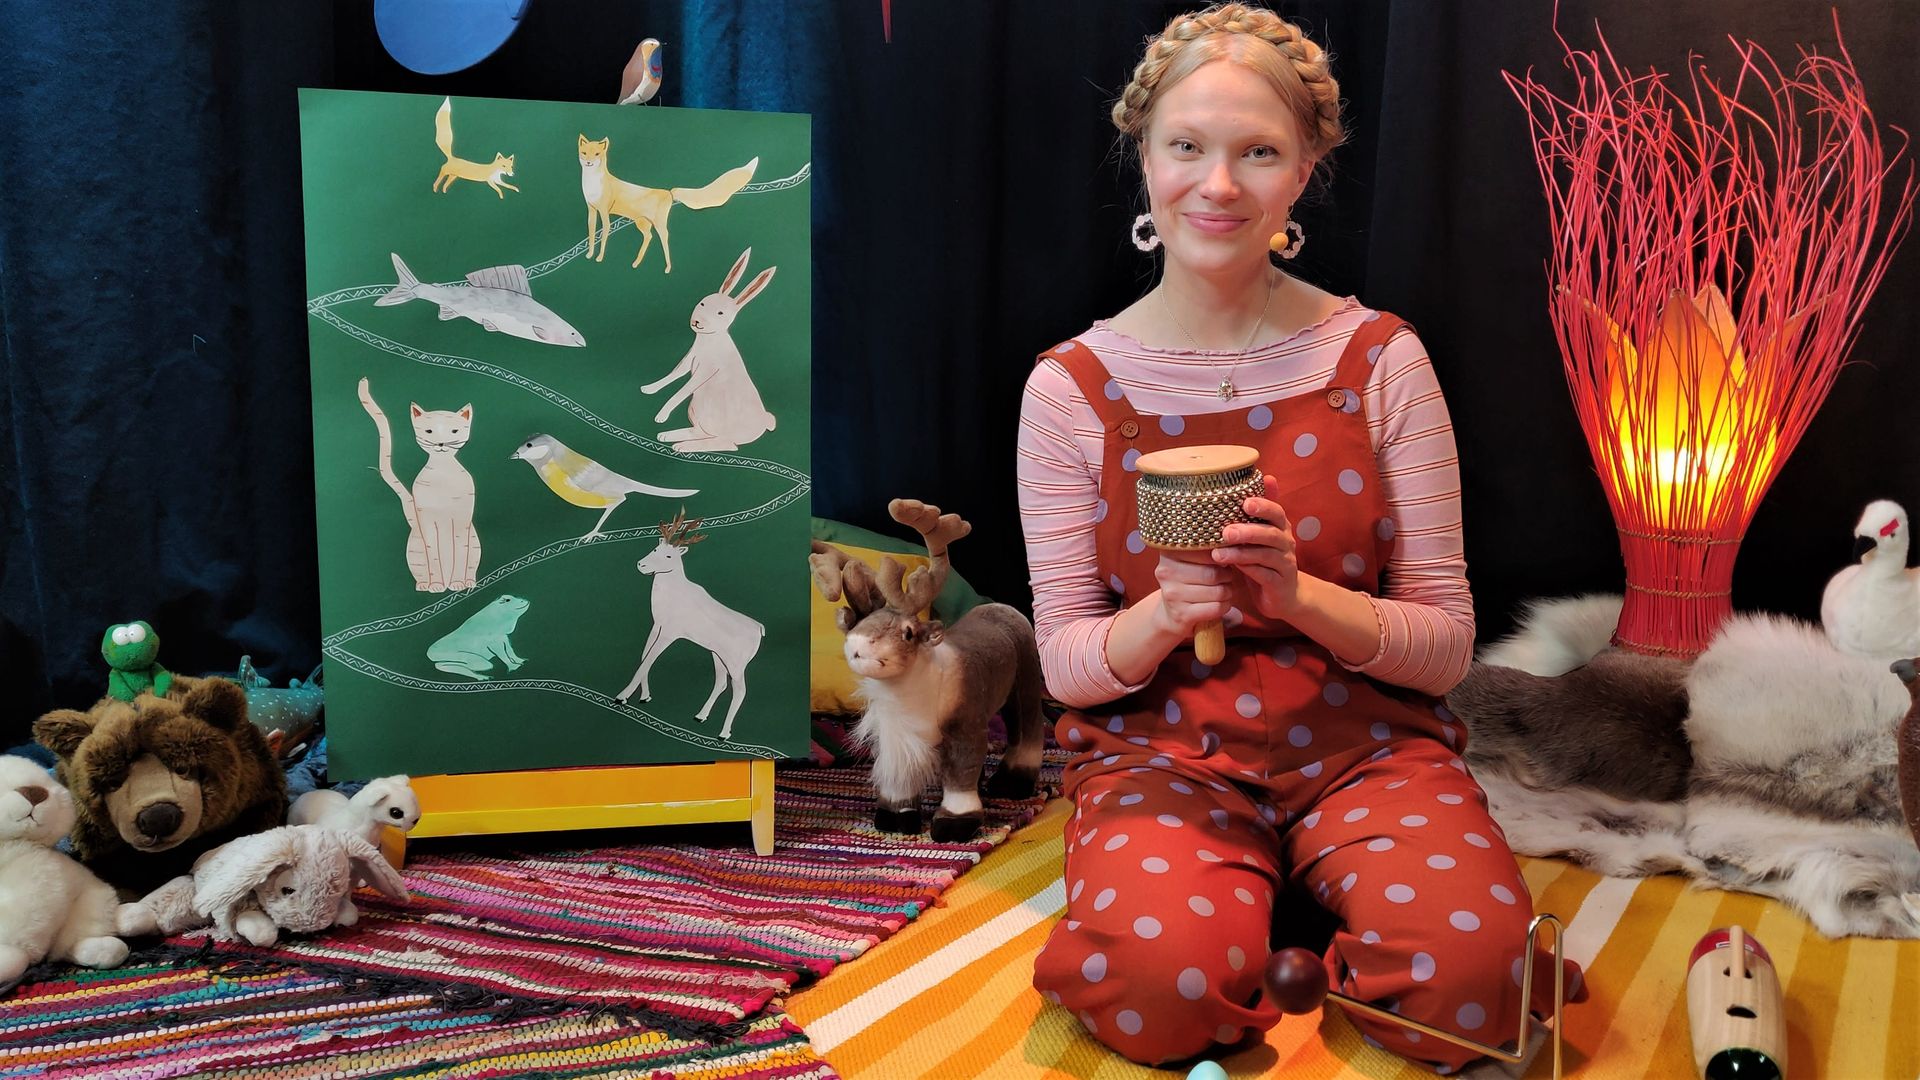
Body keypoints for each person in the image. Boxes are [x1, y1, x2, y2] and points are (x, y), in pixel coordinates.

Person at [1018, 4, 1580, 1070]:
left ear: (1306, 171)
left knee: (1480, 987)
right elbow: (1066, 665)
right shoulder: (1071, 388)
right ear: (1144, 157)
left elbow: (1446, 645)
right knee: (1160, 994)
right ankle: (1240, 910)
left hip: (1366, 751)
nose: (1218, 185)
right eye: (1187, 146)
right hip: (1164, 757)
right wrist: (1162, 617)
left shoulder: (1381, 360)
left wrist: (1301, 599)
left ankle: (1310, 900)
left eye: (1259, 152)